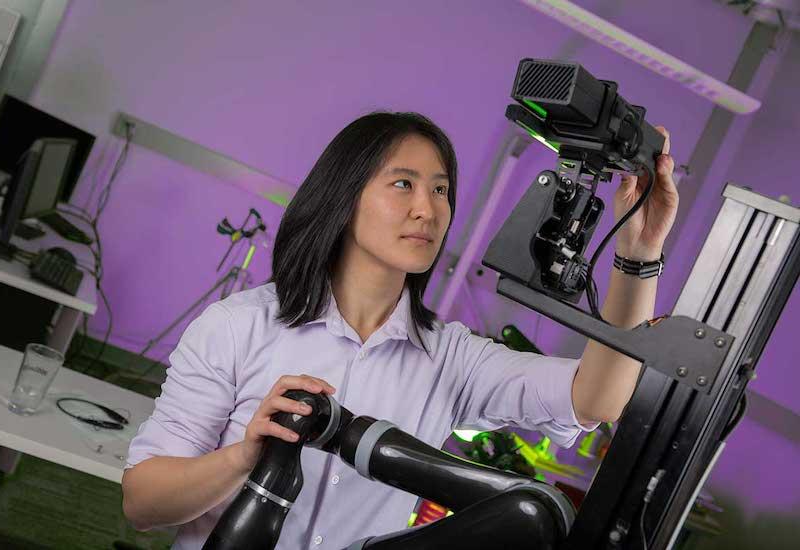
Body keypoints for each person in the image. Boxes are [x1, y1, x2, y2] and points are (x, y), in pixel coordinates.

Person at [121, 111, 678, 549]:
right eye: (403, 184)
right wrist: (242, 457)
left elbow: (599, 398)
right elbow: (142, 505)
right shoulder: (237, 328)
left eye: (440, 190)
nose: (428, 210)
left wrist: (638, 254)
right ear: (343, 198)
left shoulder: (451, 358)